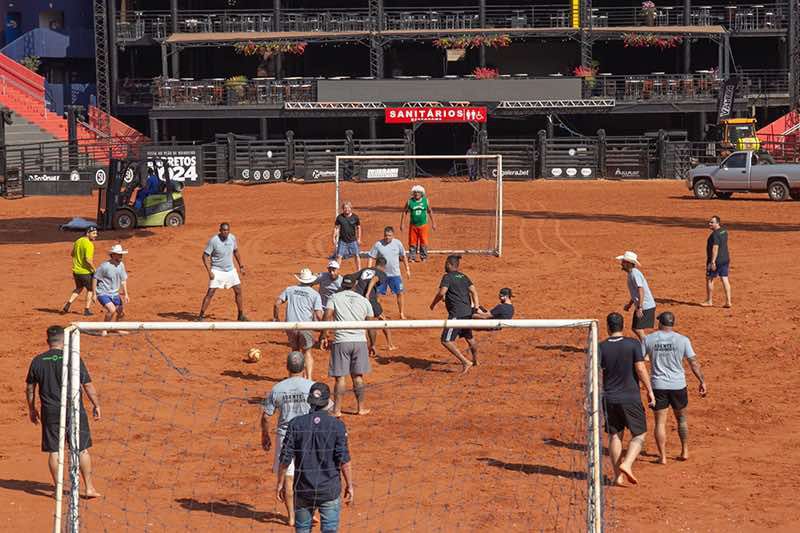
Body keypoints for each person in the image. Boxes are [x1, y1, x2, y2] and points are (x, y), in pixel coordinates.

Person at [26, 326, 101, 498]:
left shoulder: (37, 360)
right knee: (81, 449)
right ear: (64, 341)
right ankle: (89, 488)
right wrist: (96, 404)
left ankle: (58, 490)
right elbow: (87, 385)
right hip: (74, 409)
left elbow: (30, 387)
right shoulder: (73, 358)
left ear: (48, 341)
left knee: (55, 450)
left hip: (50, 411)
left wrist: (31, 408)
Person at [278, 382, 353, 533]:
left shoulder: (295, 424)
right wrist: (349, 485)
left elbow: (285, 458)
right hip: (329, 489)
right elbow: (343, 459)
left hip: (303, 489)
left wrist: (280, 483)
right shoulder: (337, 426)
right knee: (329, 530)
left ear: (310, 402)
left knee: (303, 530)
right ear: (327, 403)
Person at [599, 312, 655, 487]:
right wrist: (650, 390)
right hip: (630, 397)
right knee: (639, 433)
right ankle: (627, 463)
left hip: (609, 397)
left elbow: (595, 372)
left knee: (615, 435)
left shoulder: (601, 347)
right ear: (622, 326)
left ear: (608, 327)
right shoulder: (633, 344)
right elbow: (640, 368)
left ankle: (618, 477)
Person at [644, 312, 707, 464]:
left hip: (659, 385)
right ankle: (685, 450)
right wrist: (702, 380)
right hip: (678, 385)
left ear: (660, 323)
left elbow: (640, 361)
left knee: (660, 423)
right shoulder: (683, 340)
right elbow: (693, 362)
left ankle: (663, 457)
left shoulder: (649, 339)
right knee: (682, 419)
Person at [261, 351, 314, 527]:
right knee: (309, 476)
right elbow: (326, 409)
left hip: (285, 438)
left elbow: (266, 416)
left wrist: (265, 435)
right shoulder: (312, 387)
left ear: (287, 367)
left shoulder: (278, 388)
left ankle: (291, 517)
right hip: (308, 436)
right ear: (304, 368)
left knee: (288, 478)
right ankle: (310, 512)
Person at [322, 275, 374, 417]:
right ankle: (361, 408)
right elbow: (371, 325)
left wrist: (324, 335)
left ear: (342, 285)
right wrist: (372, 344)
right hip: (360, 341)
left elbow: (327, 315)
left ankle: (337, 410)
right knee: (358, 377)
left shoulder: (335, 297)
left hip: (341, 341)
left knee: (340, 378)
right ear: (354, 285)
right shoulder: (364, 301)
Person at [430, 255, 481, 373]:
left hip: (456, 314)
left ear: (449, 264)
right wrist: (476, 307)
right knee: (469, 337)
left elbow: (442, 292)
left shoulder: (447, 277)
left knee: (446, 340)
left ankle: (465, 362)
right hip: (467, 312)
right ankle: (475, 360)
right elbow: (474, 291)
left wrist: (433, 304)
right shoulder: (464, 276)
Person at [274, 268, 324, 380]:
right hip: (306, 326)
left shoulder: (290, 289)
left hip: (290, 326)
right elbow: (319, 315)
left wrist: (276, 318)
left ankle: (294, 377)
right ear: (311, 281)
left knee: (295, 351)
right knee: (307, 352)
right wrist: (324, 329)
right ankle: (309, 378)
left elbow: (277, 303)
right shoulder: (315, 294)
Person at [199, 223, 248, 321]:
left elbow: (236, 252)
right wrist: (209, 272)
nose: (226, 232)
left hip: (230, 270)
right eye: (224, 230)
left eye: (227, 230)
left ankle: (240, 315)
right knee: (210, 292)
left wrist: (241, 266)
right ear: (220, 230)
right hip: (217, 270)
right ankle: (201, 315)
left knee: (238, 290)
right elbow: (204, 256)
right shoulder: (213, 241)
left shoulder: (232, 238)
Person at [354, 256, 396, 354]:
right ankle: (390, 345)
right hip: (369, 299)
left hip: (357, 297)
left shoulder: (365, 270)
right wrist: (368, 293)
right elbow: (374, 279)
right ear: (383, 266)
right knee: (383, 319)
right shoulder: (381, 273)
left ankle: (362, 346)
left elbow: (353, 278)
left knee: (362, 321)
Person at [368, 227, 411, 319]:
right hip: (381, 275)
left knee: (399, 293)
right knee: (378, 295)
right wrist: (370, 270)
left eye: (389, 236)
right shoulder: (378, 244)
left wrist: (407, 269)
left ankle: (401, 313)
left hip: (395, 274)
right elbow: (371, 257)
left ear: (393, 235)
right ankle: (380, 314)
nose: (387, 237)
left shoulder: (398, 243)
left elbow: (403, 256)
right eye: (386, 235)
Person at [617, 251, 656, 349]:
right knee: (636, 328)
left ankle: (648, 349)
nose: (621, 263)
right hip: (643, 304)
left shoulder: (635, 274)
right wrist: (630, 304)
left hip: (645, 305)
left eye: (623, 261)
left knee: (637, 329)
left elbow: (640, 290)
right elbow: (635, 292)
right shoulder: (631, 274)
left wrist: (640, 307)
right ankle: (647, 347)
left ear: (629, 263)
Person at [61, 226, 99, 316]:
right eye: (93, 233)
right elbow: (88, 260)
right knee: (90, 290)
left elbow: (72, 254)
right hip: (85, 272)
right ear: (87, 233)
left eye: (96, 233)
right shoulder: (89, 244)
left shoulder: (78, 241)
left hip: (76, 271)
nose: (96, 235)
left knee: (79, 288)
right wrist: (95, 269)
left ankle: (68, 304)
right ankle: (87, 309)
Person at [93, 244, 130, 329]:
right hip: (103, 292)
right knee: (112, 310)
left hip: (115, 293)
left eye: (121, 254)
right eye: (119, 254)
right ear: (113, 255)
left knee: (121, 312)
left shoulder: (121, 265)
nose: (121, 256)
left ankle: (117, 329)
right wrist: (94, 294)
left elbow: (123, 280)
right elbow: (95, 278)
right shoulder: (104, 266)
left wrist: (126, 294)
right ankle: (104, 329)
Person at [701, 215, 732, 308]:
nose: (709, 224)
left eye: (712, 222)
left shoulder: (715, 235)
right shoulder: (724, 231)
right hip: (725, 259)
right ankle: (728, 302)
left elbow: (715, 247)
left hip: (716, 260)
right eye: (709, 222)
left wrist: (713, 261)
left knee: (709, 279)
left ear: (717, 223)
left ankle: (709, 301)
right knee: (725, 279)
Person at [399, 185, 436, 262]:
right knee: (412, 242)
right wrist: (402, 223)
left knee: (424, 241)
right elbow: (405, 212)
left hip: (423, 225)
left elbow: (430, 211)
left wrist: (433, 223)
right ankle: (412, 257)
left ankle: (423, 257)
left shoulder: (426, 201)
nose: (416, 194)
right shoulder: (410, 202)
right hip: (413, 226)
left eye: (418, 192)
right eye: (415, 192)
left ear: (422, 193)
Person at [333, 201, 362, 271]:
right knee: (339, 256)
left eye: (348, 208)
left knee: (357, 255)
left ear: (350, 208)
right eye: (345, 208)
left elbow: (359, 227)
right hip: (342, 241)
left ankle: (359, 270)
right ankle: (336, 271)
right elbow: (336, 228)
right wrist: (334, 237)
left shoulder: (355, 217)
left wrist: (359, 238)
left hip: (353, 240)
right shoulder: (339, 217)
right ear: (343, 209)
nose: (347, 209)